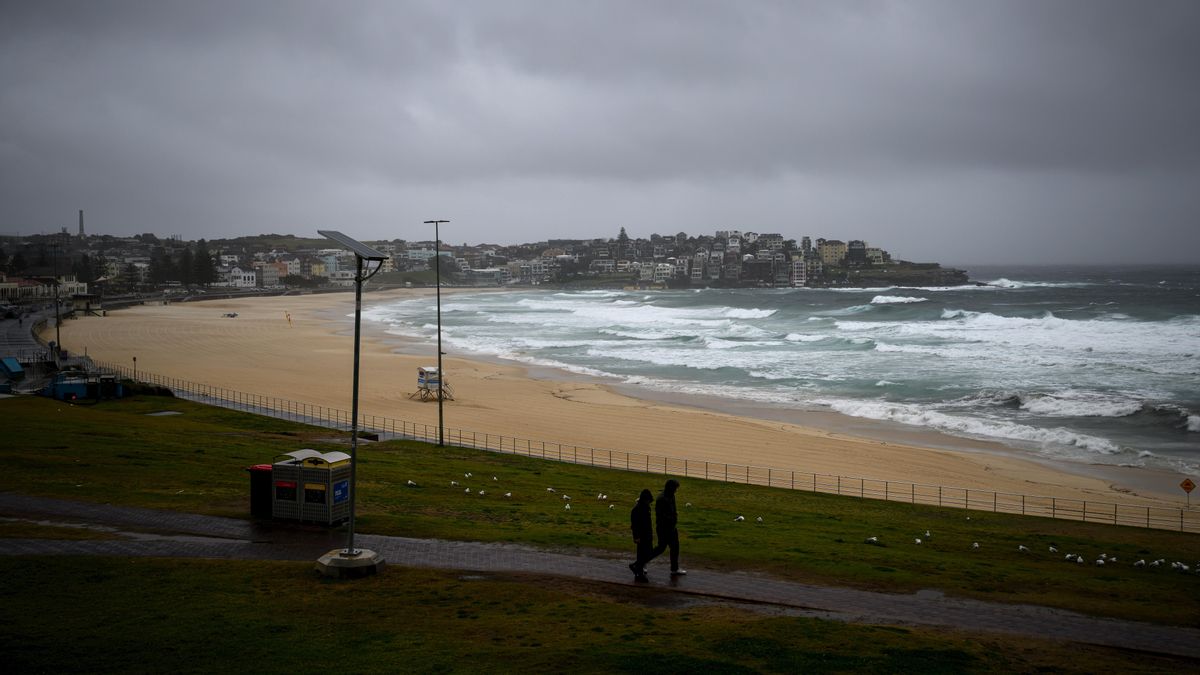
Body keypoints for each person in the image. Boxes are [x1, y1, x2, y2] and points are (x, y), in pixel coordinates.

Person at [653, 479, 685, 576]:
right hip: (664, 528)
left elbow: (673, 510)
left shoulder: (671, 496)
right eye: (675, 488)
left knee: (675, 547)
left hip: (671, 527)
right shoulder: (662, 499)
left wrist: (674, 516)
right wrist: (672, 517)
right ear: (670, 488)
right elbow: (660, 515)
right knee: (661, 548)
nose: (676, 490)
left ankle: (674, 568)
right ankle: (642, 562)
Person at [628, 489, 654, 582]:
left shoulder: (644, 507)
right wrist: (636, 536)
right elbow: (634, 525)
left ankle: (637, 568)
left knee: (646, 554)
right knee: (644, 554)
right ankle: (639, 572)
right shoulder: (638, 509)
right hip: (642, 535)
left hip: (646, 534)